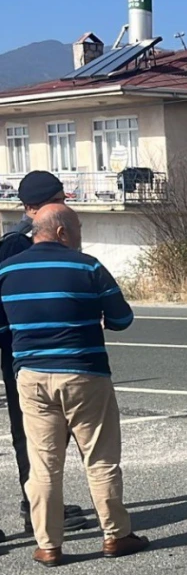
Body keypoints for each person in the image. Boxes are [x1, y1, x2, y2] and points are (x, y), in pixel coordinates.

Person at [0, 204, 149, 567]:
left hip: (32, 377)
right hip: (86, 373)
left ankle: (48, 545)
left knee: (44, 464)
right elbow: (122, 317)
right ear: (63, 231)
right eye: (79, 227)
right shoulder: (88, 266)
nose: (81, 234)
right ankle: (115, 535)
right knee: (100, 459)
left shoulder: (6, 270)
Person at [0, 173, 89, 544]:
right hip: (18, 345)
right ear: (41, 205)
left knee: (34, 431)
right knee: (31, 430)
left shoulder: (24, 239)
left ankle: (37, 505)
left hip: (21, 345)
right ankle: (34, 506)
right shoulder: (18, 243)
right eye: (60, 199)